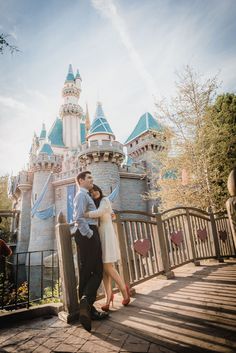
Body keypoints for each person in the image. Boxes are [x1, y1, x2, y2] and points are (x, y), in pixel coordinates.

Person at [84, 184, 130, 311]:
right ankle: (108, 296)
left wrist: (84, 214)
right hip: (100, 236)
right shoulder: (94, 204)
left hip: (107, 235)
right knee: (104, 269)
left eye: (95, 190)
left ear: (99, 190)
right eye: (91, 192)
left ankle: (123, 289)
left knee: (107, 266)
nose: (94, 193)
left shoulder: (105, 200)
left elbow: (99, 213)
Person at [73, 171, 108, 332]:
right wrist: (90, 234)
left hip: (89, 233)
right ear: (81, 180)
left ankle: (88, 308)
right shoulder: (81, 195)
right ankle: (86, 303)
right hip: (87, 234)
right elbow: (78, 217)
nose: (92, 180)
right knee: (96, 271)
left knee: (89, 271)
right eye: (89, 178)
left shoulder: (86, 195)